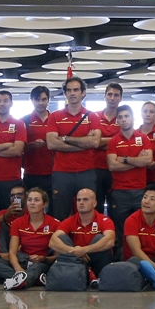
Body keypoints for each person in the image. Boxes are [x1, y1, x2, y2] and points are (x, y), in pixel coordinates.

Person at [46, 76, 101, 220]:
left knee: (87, 213)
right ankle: (61, 242)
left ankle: (86, 242)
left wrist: (64, 138)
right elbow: (51, 144)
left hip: (86, 172)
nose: (72, 93)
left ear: (83, 93)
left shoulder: (93, 117)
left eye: (76, 90)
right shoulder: (55, 116)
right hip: (62, 173)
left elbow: (94, 143)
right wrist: (84, 143)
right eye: (69, 90)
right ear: (65, 94)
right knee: (60, 213)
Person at [0, 187, 59, 290]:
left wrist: (44, 259)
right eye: (30, 200)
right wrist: (18, 268)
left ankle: (22, 281)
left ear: (44, 204)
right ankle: (32, 279)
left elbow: (57, 256)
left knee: (38, 267)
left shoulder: (54, 223)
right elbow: (12, 252)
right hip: (23, 260)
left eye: (36, 200)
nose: (32, 203)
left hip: (41, 262)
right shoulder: (18, 222)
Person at [49, 188, 115, 289]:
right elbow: (52, 242)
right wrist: (74, 251)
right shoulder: (70, 220)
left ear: (94, 203)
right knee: (61, 238)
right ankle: (87, 275)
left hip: (97, 261)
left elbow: (110, 241)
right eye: (78, 200)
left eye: (85, 200)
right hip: (77, 261)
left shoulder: (104, 220)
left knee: (100, 238)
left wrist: (84, 250)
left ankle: (96, 275)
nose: (81, 203)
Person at [107, 105, 152, 243]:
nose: (124, 120)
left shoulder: (143, 138)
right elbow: (112, 165)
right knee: (121, 231)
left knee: (142, 228)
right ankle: (122, 259)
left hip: (140, 190)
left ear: (133, 118)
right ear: (117, 121)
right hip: (120, 192)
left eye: (126, 116)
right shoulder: (113, 141)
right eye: (120, 117)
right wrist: (137, 161)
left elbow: (148, 160)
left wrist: (125, 159)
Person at [94, 83, 122, 215]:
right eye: (110, 94)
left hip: (115, 170)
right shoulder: (95, 117)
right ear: (104, 96)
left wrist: (102, 141)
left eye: (116, 95)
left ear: (120, 98)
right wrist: (114, 140)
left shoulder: (123, 118)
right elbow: (93, 142)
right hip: (95, 169)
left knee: (114, 207)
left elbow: (124, 144)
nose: (112, 98)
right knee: (96, 206)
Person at [22, 86, 53, 193]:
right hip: (31, 172)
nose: (40, 103)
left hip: (53, 172)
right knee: (31, 206)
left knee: (54, 208)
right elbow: (19, 147)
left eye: (44, 99)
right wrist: (32, 145)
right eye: (37, 99)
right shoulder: (24, 121)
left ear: (48, 100)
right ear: (32, 101)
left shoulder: (55, 119)